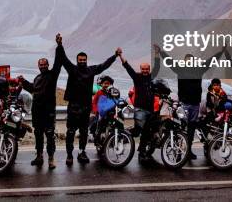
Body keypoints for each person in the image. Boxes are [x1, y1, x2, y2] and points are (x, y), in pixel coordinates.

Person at [57, 33, 120, 165]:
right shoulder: (72, 69)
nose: (82, 61)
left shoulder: (91, 70)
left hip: (86, 106)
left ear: (86, 60)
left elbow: (104, 65)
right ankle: (69, 155)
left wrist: (114, 56)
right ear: (77, 60)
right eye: (80, 60)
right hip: (73, 106)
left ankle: (82, 152)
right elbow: (63, 58)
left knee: (84, 131)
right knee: (70, 131)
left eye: (84, 59)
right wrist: (60, 45)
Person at [153, 44, 223, 159]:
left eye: (191, 60)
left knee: (191, 129)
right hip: (184, 104)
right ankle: (180, 152)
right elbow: (169, 61)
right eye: (187, 61)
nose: (189, 62)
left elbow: (211, 61)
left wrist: (220, 52)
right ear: (184, 62)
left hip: (195, 104)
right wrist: (160, 52)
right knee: (182, 128)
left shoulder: (199, 69)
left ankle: (188, 151)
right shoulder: (180, 69)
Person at [18, 41, 63, 170]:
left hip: (48, 112)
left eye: (45, 64)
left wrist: (59, 46)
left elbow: (58, 62)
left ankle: (51, 159)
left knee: (50, 136)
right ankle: (39, 157)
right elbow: (32, 88)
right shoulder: (37, 78)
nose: (43, 66)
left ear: (48, 65)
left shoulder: (53, 75)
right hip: (37, 112)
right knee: (38, 135)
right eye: (41, 65)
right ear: (38, 66)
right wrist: (23, 81)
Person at [118, 47, 157, 164]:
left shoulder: (152, 78)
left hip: (150, 109)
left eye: (147, 69)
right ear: (140, 69)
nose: (145, 70)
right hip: (139, 109)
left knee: (148, 131)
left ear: (149, 69)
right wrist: (120, 56)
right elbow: (127, 67)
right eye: (143, 69)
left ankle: (141, 149)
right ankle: (139, 150)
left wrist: (157, 55)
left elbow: (158, 67)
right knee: (143, 129)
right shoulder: (137, 77)